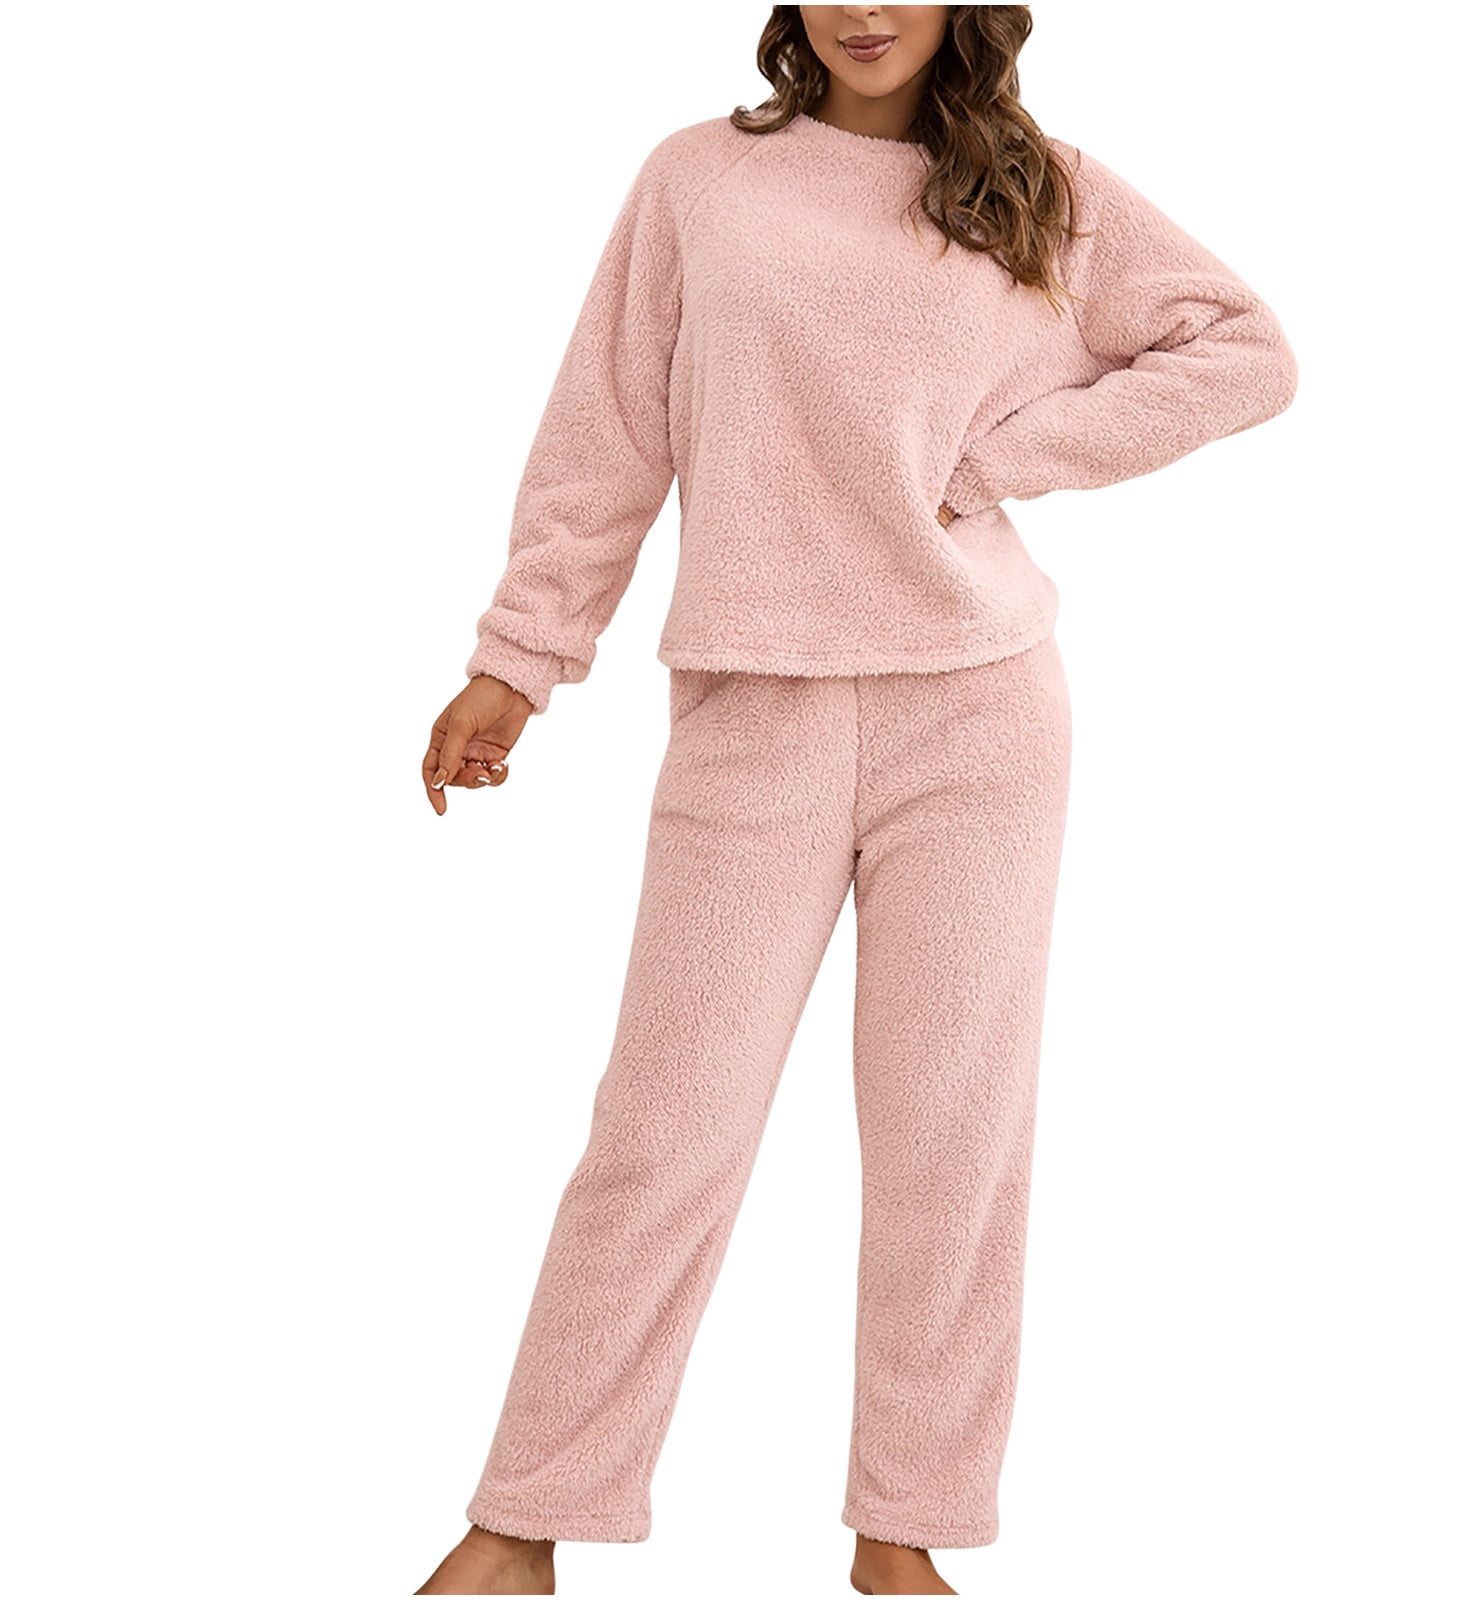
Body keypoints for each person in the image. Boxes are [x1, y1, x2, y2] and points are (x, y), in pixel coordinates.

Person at [417, 5, 1297, 1593]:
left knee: (952, 1142)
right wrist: (520, 660)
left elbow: (1243, 351)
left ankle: (905, 1532)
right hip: (750, 710)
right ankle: (522, 1522)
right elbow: (608, 431)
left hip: (978, 716)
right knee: (662, 1135)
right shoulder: (698, 180)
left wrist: (999, 457)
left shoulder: (1042, 188)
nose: (868, 8)